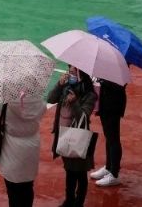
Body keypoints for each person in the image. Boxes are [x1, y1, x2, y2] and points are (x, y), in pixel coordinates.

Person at [47, 66, 97, 207]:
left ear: (82, 75)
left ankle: (78, 202)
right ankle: (69, 200)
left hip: (78, 137)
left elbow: (84, 118)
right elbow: (50, 99)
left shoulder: (89, 95)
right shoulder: (66, 87)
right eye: (69, 71)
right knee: (69, 170)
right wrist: (59, 84)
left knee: (80, 173)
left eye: (73, 73)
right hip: (63, 135)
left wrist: (74, 102)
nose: (70, 75)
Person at [0, 93, 46, 207]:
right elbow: (43, 110)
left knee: (13, 190)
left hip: (12, 148)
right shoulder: (38, 101)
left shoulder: (6, 103)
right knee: (28, 186)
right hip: (32, 146)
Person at [90, 79, 125, 188]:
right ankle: (108, 167)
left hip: (113, 105)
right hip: (105, 102)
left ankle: (114, 174)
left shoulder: (119, 67)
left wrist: (103, 82)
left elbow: (119, 85)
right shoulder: (107, 65)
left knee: (113, 138)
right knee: (108, 137)